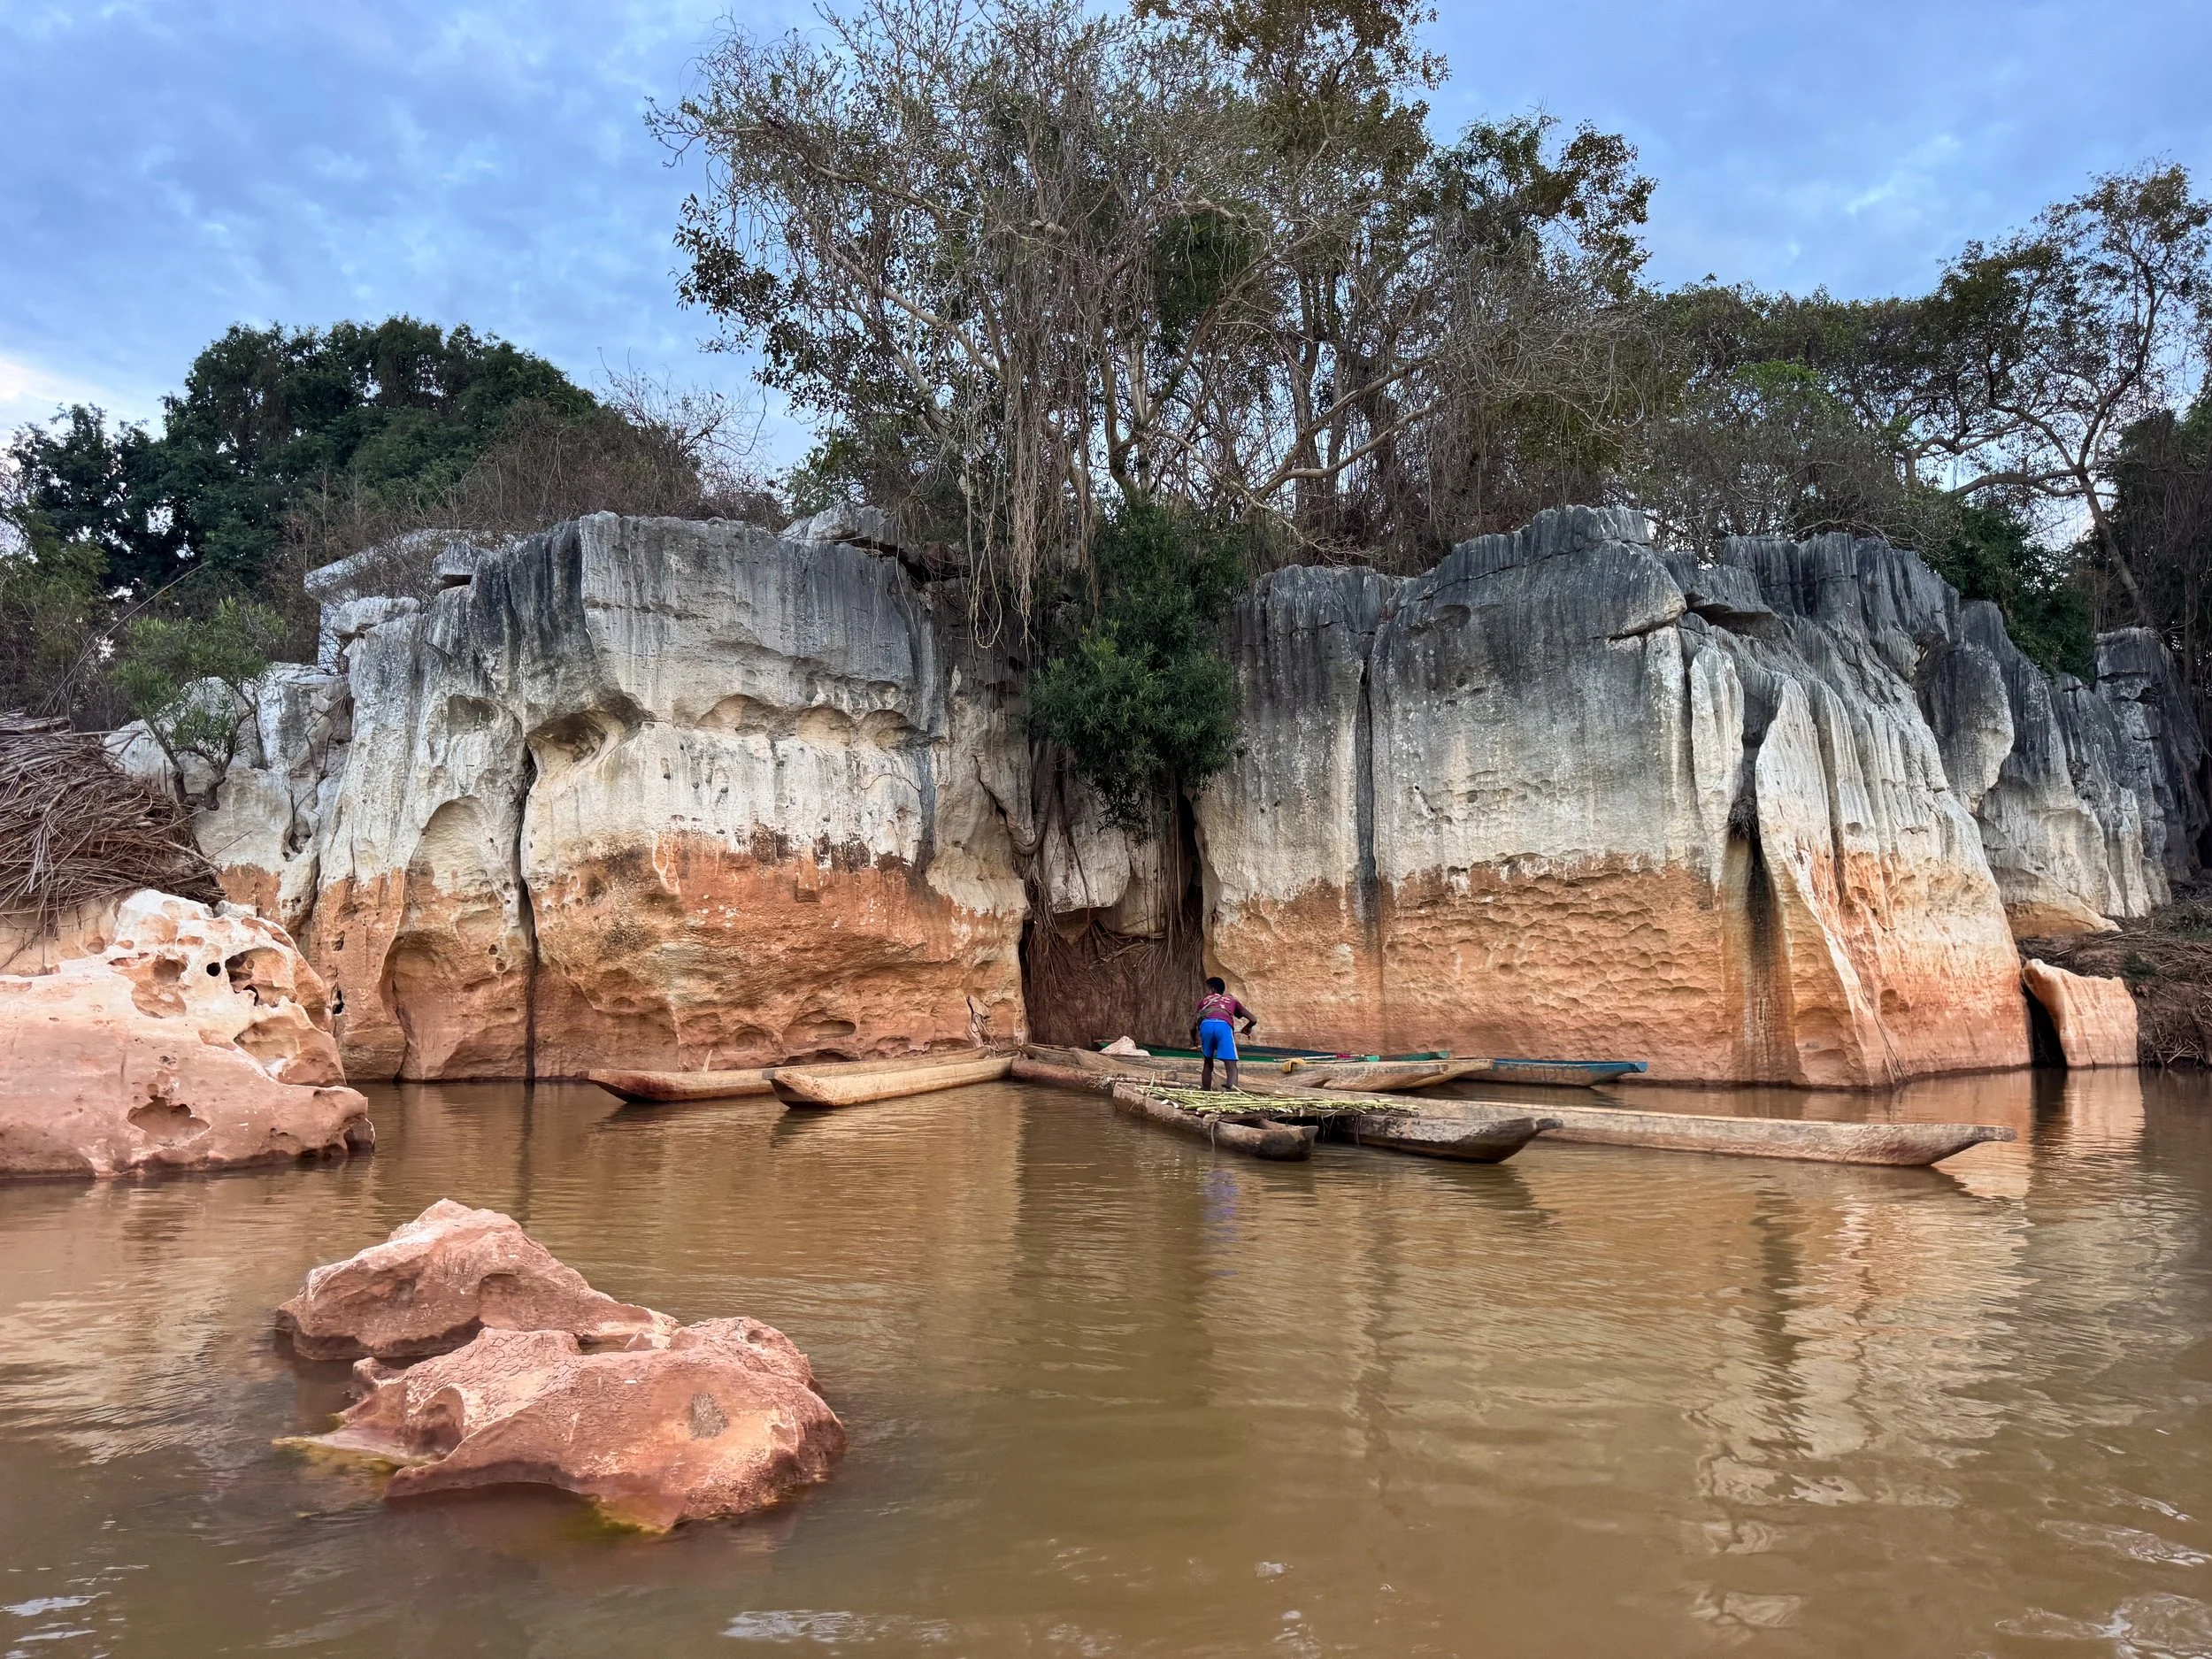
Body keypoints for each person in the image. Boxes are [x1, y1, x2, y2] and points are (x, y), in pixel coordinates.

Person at [1192, 977, 1257, 1091]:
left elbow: (1193, 1026)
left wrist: (1195, 1040)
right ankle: (1231, 1095)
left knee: (1208, 1062)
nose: (1205, 993)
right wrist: (1247, 1028)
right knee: (1231, 1065)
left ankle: (1205, 1091)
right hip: (1223, 1026)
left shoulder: (1204, 1001)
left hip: (1206, 1025)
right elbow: (1253, 1019)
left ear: (1212, 990)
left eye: (1206, 990)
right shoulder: (1232, 1001)